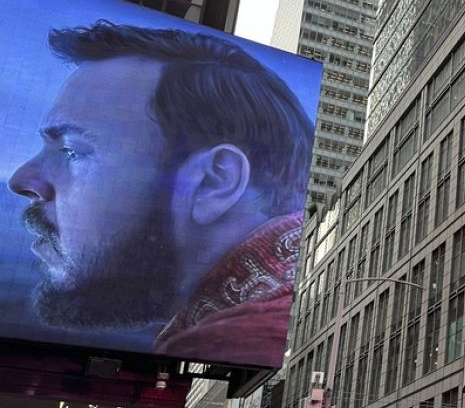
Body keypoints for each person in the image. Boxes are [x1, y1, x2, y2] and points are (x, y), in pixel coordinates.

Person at [7, 21, 314, 365]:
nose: (22, 179)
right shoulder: (287, 306)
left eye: (72, 151)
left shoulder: (237, 340)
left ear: (214, 182)